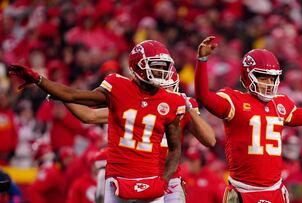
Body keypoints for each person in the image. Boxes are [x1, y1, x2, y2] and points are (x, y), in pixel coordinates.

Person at [9, 40, 187, 203]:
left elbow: (175, 148)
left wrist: (163, 181)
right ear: (138, 65)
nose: (161, 71)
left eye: (164, 66)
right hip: (118, 177)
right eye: (156, 66)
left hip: (150, 179)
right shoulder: (118, 87)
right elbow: (76, 99)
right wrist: (39, 80)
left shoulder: (172, 101)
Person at [194, 36, 302, 203]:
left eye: (272, 78)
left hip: (275, 190)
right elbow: (204, 96)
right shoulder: (235, 101)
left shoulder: (280, 103)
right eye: (263, 77)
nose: (269, 83)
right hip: (244, 190)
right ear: (247, 76)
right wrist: (202, 60)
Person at [62, 66, 216, 203]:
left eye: (165, 88)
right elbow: (90, 116)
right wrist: (63, 96)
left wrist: (188, 108)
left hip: (170, 180)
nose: (162, 92)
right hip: (139, 178)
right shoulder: (136, 106)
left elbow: (210, 140)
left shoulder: (180, 108)